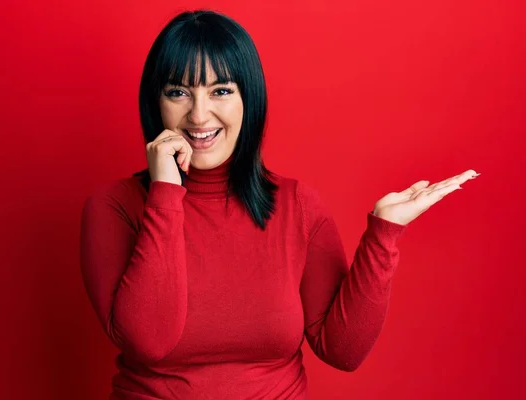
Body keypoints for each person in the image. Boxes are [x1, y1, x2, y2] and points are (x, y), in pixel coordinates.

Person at [79, 9, 479, 400]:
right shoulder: (113, 208)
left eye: (221, 90)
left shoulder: (297, 205)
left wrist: (384, 233)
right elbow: (149, 341)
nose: (199, 114)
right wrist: (165, 192)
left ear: (248, 99)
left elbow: (343, 350)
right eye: (179, 92)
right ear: (156, 101)